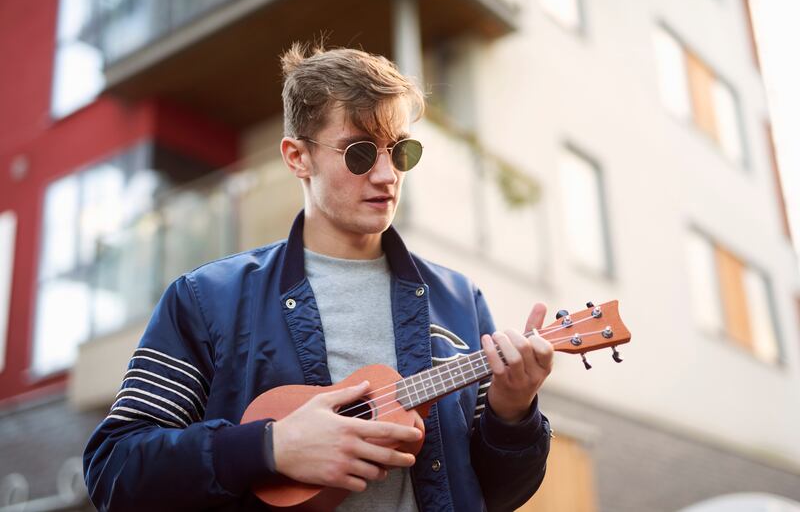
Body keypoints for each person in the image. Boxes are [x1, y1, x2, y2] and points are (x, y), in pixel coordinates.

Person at [83, 43, 553, 512]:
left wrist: (512, 413)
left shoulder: (459, 300)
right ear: (297, 157)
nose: (387, 175)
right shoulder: (207, 300)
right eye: (360, 153)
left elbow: (494, 494)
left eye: (401, 151)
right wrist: (270, 447)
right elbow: (114, 469)